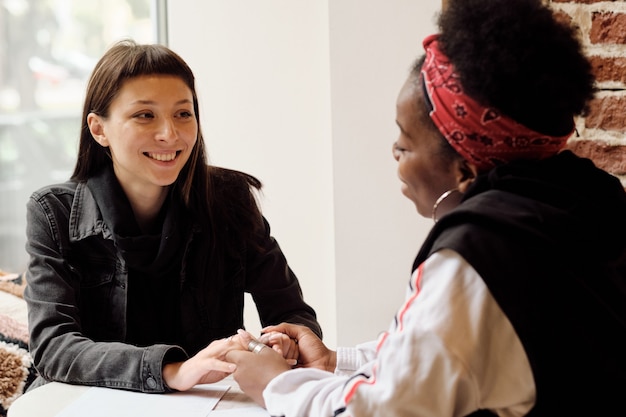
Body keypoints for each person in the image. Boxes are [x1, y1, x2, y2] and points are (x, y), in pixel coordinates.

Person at [225, 0, 626, 415]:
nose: (395, 152)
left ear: (465, 168)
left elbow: (382, 410)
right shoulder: (592, 198)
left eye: (406, 141)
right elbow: (447, 356)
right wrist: (332, 361)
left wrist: (276, 383)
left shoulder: (475, 257)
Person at [23, 39, 321, 394]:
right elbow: (54, 347)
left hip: (202, 402)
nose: (170, 134)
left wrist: (282, 340)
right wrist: (172, 370)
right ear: (99, 129)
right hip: (89, 403)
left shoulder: (229, 200)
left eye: (183, 113)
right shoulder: (52, 212)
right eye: (144, 115)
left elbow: (292, 312)